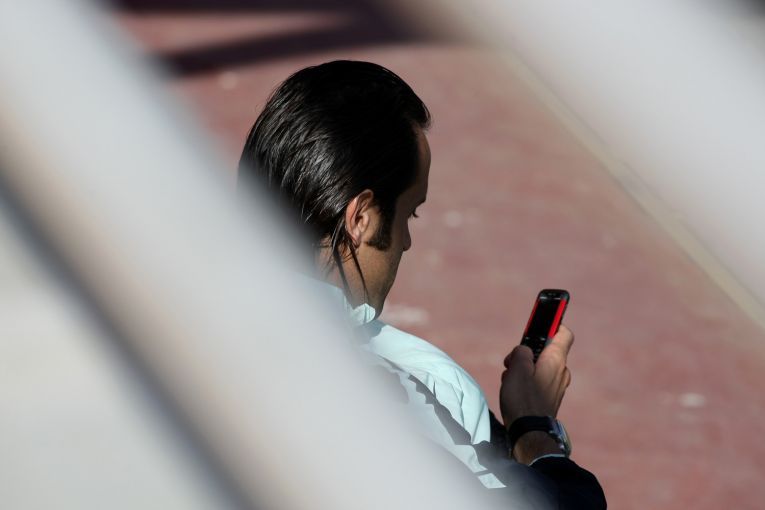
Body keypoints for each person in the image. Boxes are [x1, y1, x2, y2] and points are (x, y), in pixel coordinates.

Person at [238, 60, 606, 508]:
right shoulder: (413, 388)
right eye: (410, 213)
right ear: (361, 218)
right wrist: (534, 427)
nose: (407, 242)